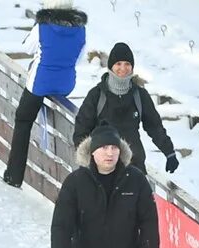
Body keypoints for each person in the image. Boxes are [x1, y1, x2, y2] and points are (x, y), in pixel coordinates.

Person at [1, 0, 87, 188]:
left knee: (23, 120)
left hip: (40, 83)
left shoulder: (43, 27)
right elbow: (79, 58)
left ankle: (13, 176)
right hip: (65, 85)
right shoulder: (81, 30)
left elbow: (27, 48)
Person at [69, 42, 177, 176]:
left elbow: (154, 126)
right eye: (118, 64)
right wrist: (87, 161)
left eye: (127, 64)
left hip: (134, 165)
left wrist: (169, 152)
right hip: (103, 167)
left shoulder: (139, 95)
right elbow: (82, 128)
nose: (123, 68)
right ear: (111, 66)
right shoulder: (97, 95)